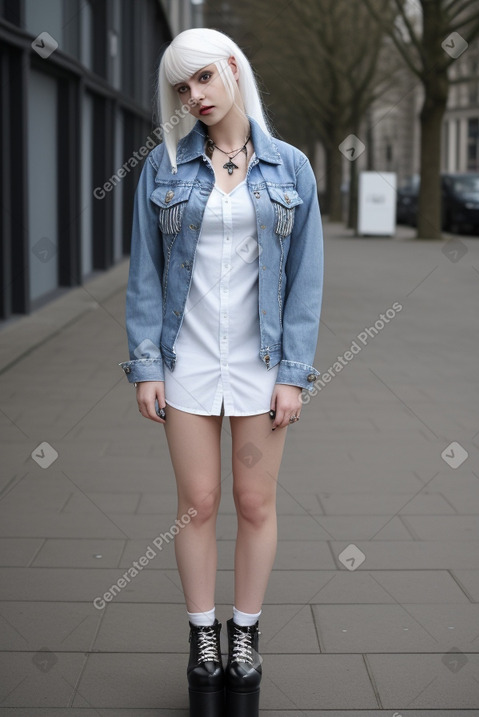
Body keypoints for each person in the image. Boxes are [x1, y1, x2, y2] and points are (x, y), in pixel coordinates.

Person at [119, 27, 323, 717]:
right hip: (187, 360)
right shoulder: (165, 166)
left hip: (262, 364)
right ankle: (203, 636)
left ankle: (246, 634)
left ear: (234, 67)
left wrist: (294, 372)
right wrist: (146, 363)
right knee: (198, 504)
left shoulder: (291, 167)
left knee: (255, 502)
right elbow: (144, 271)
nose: (195, 95)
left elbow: (307, 280)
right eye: (181, 87)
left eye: (203, 77)